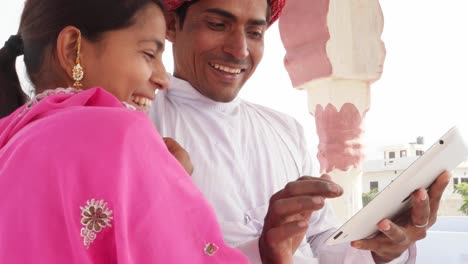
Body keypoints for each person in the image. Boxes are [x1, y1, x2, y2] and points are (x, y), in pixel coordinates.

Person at [150, 0, 451, 263]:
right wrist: (265, 250)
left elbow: (320, 243)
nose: (239, 49)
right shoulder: (140, 123)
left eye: (255, 33)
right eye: (217, 25)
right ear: (172, 25)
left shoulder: (283, 129)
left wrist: (379, 248)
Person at [0, 0, 258, 262]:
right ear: (71, 49)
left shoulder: (11, 139)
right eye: (148, 54)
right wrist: (165, 189)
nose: (163, 78)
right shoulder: (122, 132)